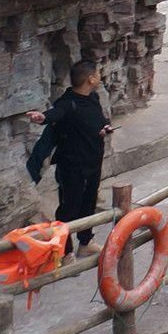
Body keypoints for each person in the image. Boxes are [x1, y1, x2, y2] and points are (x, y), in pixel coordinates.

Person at [25, 60, 111, 254]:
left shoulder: (93, 98)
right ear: (91, 79)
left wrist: (105, 127)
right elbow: (55, 114)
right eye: (97, 74)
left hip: (92, 162)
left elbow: (98, 120)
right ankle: (64, 251)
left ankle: (85, 243)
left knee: (89, 203)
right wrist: (42, 117)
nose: (99, 76)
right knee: (68, 208)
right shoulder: (68, 103)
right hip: (72, 166)